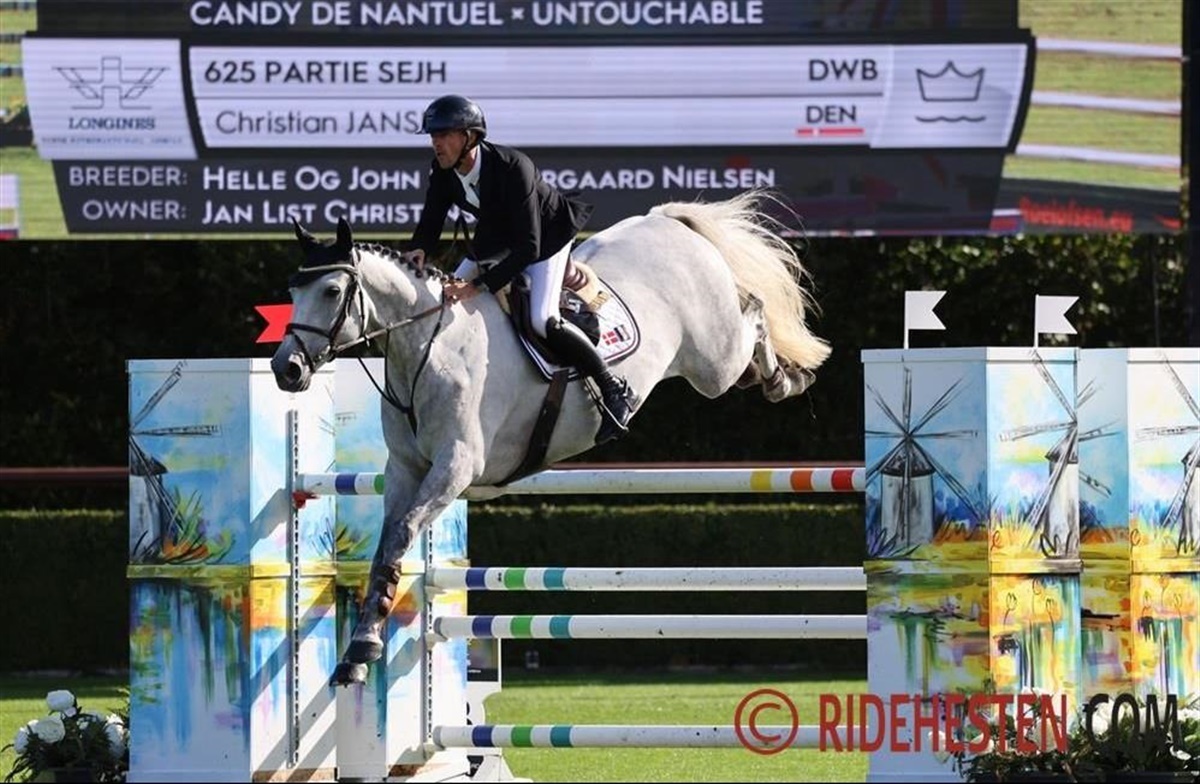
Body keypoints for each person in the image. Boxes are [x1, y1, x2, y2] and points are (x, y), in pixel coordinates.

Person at [402, 94, 638, 445]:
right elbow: (431, 218)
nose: (436, 142)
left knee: (542, 319)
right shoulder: (443, 169)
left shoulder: (513, 166)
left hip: (546, 237)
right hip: (497, 238)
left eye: (444, 134)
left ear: (470, 137)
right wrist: (419, 247)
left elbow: (529, 246)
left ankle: (614, 389)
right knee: (444, 302)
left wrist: (478, 285)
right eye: (433, 135)